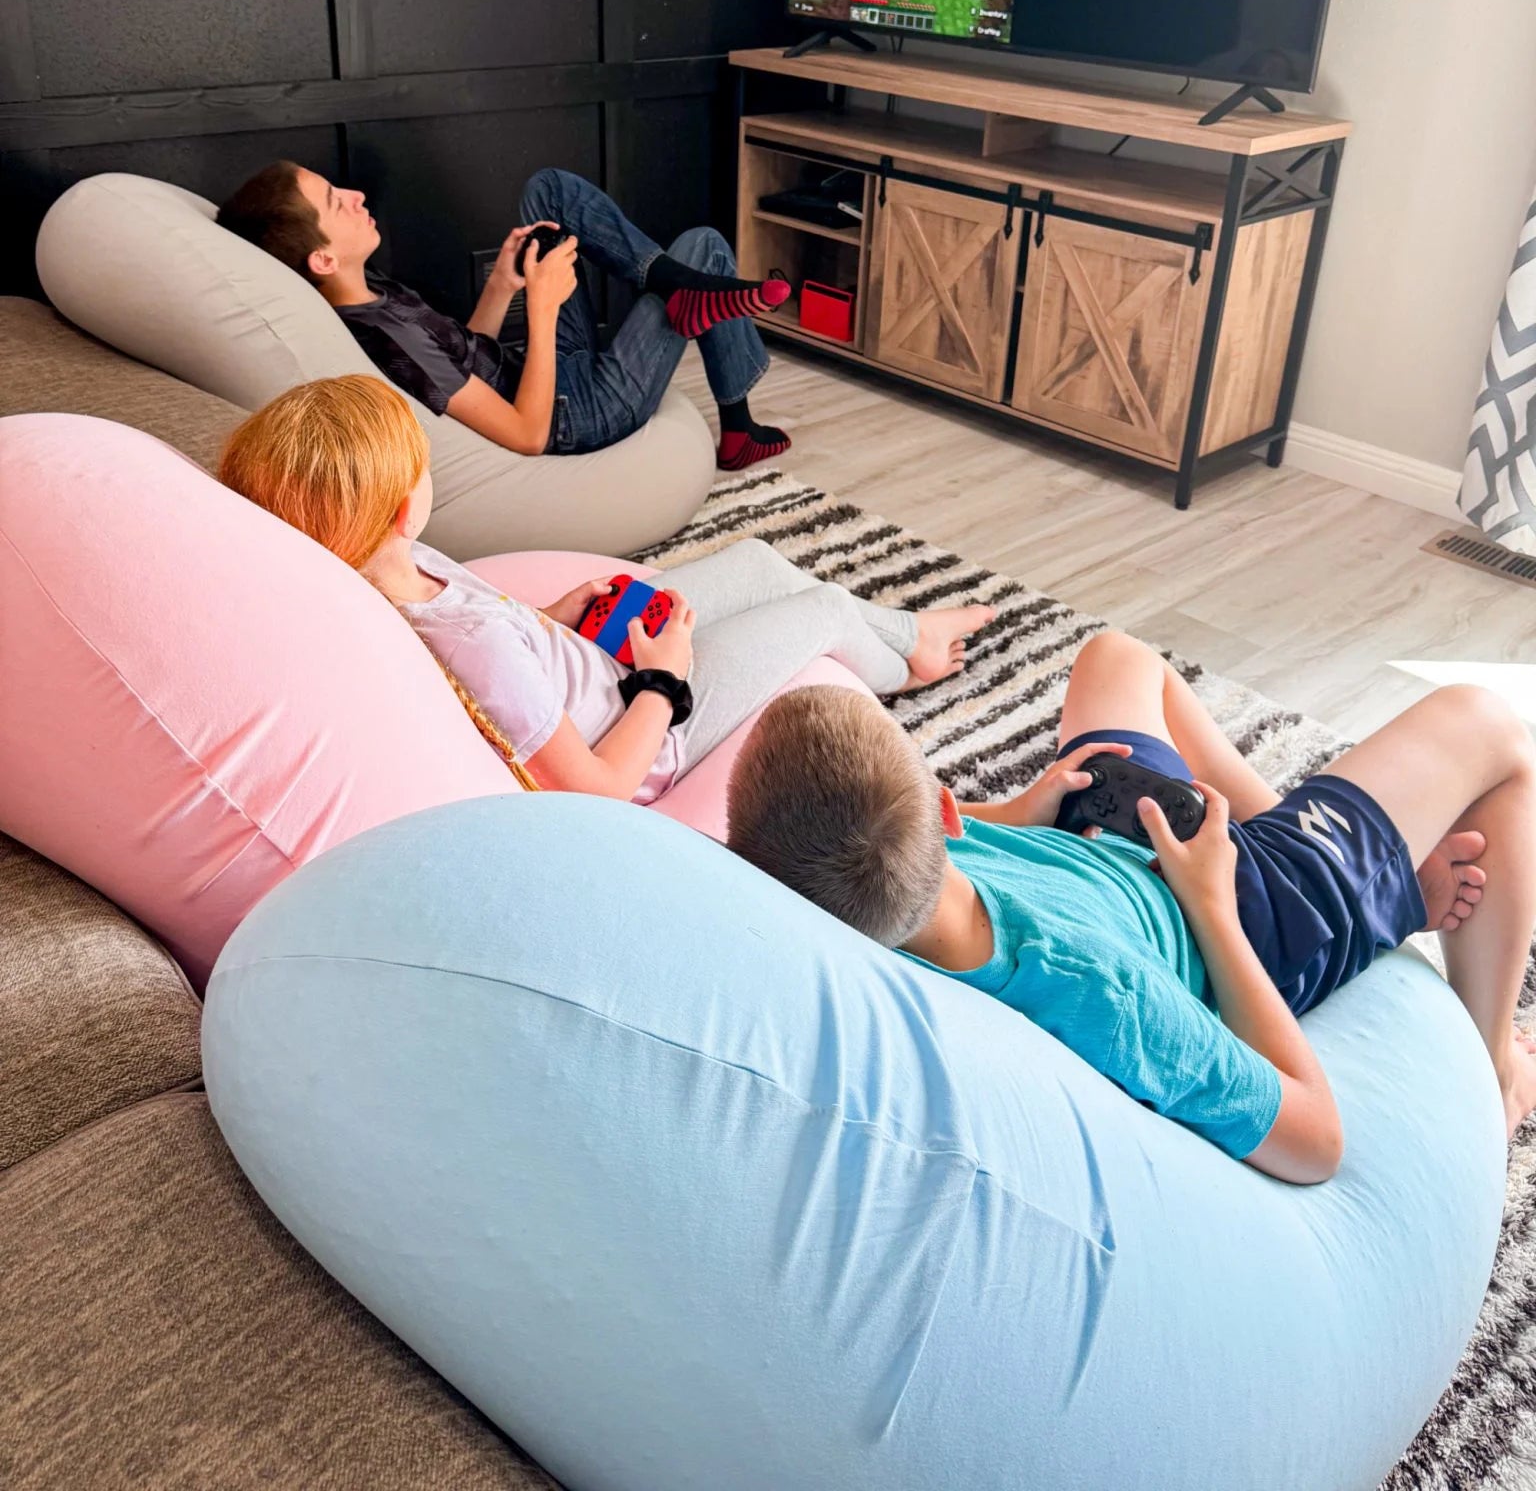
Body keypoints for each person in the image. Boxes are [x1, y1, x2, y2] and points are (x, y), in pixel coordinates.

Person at [726, 629, 1536, 1184]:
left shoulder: (850, 901)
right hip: (1241, 912)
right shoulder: (1096, 991)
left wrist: (1017, 811)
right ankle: (1490, 1057)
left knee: (1118, 657)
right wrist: (1213, 901)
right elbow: (1316, 1140)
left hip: (1099, 839)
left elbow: (920, 837)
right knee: (1492, 732)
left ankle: (1354, 860)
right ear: (943, 809)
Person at [217, 374, 993, 806]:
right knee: (819, 610)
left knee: (757, 560)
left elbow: (494, 645)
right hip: (647, 728)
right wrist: (667, 678)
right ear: (399, 508)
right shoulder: (469, 644)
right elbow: (597, 789)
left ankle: (904, 628)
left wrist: (552, 619)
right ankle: (910, 657)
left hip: (594, 659)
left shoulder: (388, 566)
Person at [215, 162, 794, 471]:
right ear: (321, 258)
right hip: (577, 415)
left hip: (553, 377)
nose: (356, 195)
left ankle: (678, 287)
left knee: (549, 192)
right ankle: (736, 421)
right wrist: (539, 310)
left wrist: (503, 284)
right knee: (705, 247)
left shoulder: (370, 293)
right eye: (336, 203)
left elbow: (470, 355)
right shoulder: (383, 339)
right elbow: (526, 435)